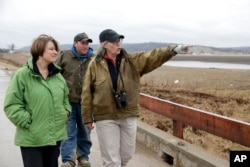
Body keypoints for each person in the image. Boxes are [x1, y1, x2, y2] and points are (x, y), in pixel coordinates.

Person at [81, 29, 192, 167]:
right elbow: (87, 92)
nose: (118, 44)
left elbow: (152, 57)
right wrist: (87, 117)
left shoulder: (131, 61)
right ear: (105, 45)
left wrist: (174, 49)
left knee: (126, 155)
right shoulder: (94, 65)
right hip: (105, 116)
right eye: (115, 42)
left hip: (128, 114)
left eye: (119, 41)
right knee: (111, 159)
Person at [4, 34, 71, 167]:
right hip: (31, 138)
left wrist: (65, 112)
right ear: (40, 51)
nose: (55, 52)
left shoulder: (58, 76)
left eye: (56, 49)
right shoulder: (22, 75)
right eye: (51, 49)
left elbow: (65, 99)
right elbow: (11, 104)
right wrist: (28, 122)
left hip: (54, 137)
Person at [56, 32, 95, 167]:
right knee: (68, 132)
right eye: (83, 43)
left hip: (86, 104)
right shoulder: (64, 56)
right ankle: (68, 160)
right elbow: (54, 75)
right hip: (67, 102)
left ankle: (83, 157)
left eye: (87, 43)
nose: (85, 46)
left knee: (85, 132)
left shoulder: (93, 59)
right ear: (75, 43)